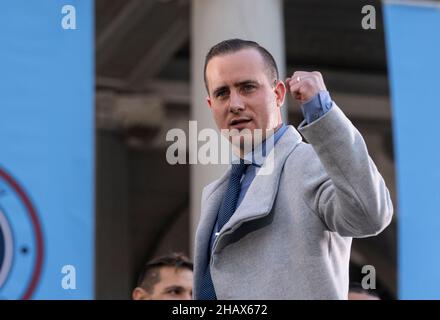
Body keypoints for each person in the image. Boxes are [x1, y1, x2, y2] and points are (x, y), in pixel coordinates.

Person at [193, 39, 393, 300]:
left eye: (247, 87)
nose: (235, 104)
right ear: (211, 106)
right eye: (222, 93)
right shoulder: (216, 193)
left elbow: (370, 215)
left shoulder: (312, 163)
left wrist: (322, 112)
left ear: (278, 94)